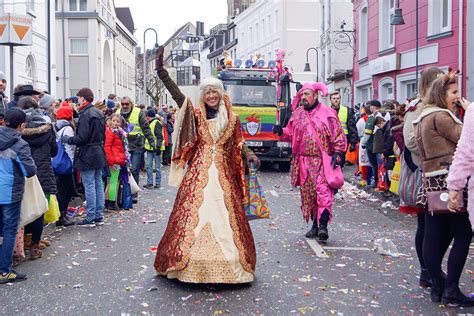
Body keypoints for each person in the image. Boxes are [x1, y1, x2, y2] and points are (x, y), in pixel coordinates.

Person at [153, 46, 259, 283]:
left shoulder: (232, 119)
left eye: (215, 92)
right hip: (199, 175)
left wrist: (250, 155)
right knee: (192, 216)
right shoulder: (195, 114)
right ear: (203, 95)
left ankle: (231, 265)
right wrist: (161, 72)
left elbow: (239, 143)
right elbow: (178, 96)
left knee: (227, 218)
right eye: (207, 93)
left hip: (223, 177)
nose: (211, 96)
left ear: (221, 94)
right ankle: (185, 264)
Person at [413, 70, 473, 307]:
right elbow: (467, 138)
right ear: (441, 93)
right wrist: (469, 113)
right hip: (450, 178)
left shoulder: (421, 115)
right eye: (454, 92)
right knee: (462, 234)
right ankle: (450, 289)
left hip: (431, 179)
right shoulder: (441, 116)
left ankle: (437, 284)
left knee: (433, 233)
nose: (457, 97)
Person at [273, 82, 347, 241]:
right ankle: (315, 225)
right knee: (309, 196)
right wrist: (281, 131)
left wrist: (338, 153)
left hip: (322, 162)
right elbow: (290, 133)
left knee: (324, 193)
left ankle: (323, 227)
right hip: (303, 163)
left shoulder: (328, 113)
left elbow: (338, 135)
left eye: (306, 94)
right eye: (302, 95)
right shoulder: (298, 114)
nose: (303, 97)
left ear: (315, 95)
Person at [402, 67, 446, 289]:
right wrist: (437, 146)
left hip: (441, 173)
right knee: (427, 224)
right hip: (424, 171)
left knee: (439, 226)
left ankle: (433, 270)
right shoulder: (416, 108)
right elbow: (410, 141)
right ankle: (427, 270)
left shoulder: (443, 106)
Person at [0, 108, 37, 284]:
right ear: (21, 125)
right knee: (9, 229)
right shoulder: (19, 144)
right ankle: (4, 270)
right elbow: (29, 171)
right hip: (9, 192)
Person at [18, 96, 57, 260]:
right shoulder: (47, 127)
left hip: (24, 172)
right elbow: (54, 151)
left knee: (25, 206)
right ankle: (35, 245)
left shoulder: (18, 128)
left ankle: (24, 240)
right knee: (40, 207)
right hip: (43, 171)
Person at [62, 88, 107, 227]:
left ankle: (91, 216)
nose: (78, 100)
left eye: (79, 97)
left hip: (88, 152)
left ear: (84, 98)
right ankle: (98, 215)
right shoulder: (98, 112)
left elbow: (82, 137)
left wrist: (68, 139)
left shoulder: (86, 114)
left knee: (89, 185)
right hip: (98, 151)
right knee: (98, 183)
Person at [116, 96, 155, 203]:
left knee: (134, 169)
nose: (124, 106)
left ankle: (134, 194)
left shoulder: (138, 112)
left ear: (131, 104)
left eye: (126, 104)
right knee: (123, 170)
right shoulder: (118, 112)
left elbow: (145, 127)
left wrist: (151, 140)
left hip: (137, 145)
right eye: (123, 104)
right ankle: (124, 193)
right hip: (123, 146)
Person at [54, 106, 76, 227]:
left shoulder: (55, 126)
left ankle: (60, 215)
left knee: (60, 191)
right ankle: (61, 216)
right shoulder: (67, 128)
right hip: (65, 164)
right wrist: (73, 162)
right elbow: (69, 147)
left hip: (56, 162)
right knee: (65, 191)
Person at [104, 113, 129, 210]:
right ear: (110, 121)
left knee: (113, 181)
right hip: (114, 160)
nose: (115, 123)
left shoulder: (119, 132)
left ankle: (110, 202)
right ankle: (111, 202)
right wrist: (111, 162)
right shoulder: (110, 132)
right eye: (113, 121)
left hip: (118, 159)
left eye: (118, 122)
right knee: (112, 182)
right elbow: (107, 148)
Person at [329, 91, 358, 162]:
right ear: (330, 99)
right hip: (329, 139)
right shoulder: (326, 110)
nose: (336, 100)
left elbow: (352, 126)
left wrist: (353, 143)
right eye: (334, 98)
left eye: (338, 98)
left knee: (340, 161)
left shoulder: (346, 110)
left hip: (343, 138)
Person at [361, 100, 383, 187]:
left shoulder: (372, 117)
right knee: (380, 164)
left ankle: (376, 182)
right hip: (382, 143)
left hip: (372, 144)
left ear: (372, 107)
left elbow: (367, 132)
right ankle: (382, 182)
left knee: (374, 164)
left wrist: (363, 142)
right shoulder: (384, 115)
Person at [143, 109, 164, 189]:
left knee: (154, 166)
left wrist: (158, 147)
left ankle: (155, 183)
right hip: (150, 148)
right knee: (151, 166)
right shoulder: (152, 123)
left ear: (148, 116)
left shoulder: (155, 123)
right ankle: (151, 183)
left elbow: (159, 136)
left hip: (155, 148)